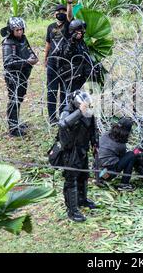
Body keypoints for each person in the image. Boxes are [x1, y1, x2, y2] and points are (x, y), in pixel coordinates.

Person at [53, 90, 98, 222]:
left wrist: (95, 143)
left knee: (83, 175)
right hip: (70, 151)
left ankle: (82, 199)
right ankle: (72, 210)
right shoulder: (67, 111)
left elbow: (92, 128)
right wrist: (79, 112)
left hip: (82, 148)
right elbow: (62, 124)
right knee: (71, 179)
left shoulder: (88, 111)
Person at [1, 17, 38, 137]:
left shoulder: (23, 39)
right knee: (14, 100)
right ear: (11, 30)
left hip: (23, 74)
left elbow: (28, 49)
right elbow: (8, 63)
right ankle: (13, 128)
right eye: (17, 30)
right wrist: (27, 62)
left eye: (21, 29)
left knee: (19, 98)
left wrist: (33, 56)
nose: (20, 32)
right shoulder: (8, 43)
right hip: (13, 76)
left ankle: (16, 122)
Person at [45, 0, 75, 125]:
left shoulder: (68, 25)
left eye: (63, 11)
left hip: (65, 63)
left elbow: (69, 16)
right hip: (52, 62)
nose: (61, 13)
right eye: (59, 11)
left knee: (63, 90)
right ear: (54, 14)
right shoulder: (50, 27)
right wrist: (45, 57)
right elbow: (48, 43)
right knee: (51, 90)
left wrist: (69, 2)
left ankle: (63, 115)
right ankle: (52, 118)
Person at [97, 117, 136, 191]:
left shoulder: (106, 135)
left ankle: (101, 179)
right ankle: (124, 184)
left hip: (97, 172)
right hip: (107, 174)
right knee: (131, 155)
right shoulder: (121, 145)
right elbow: (123, 160)